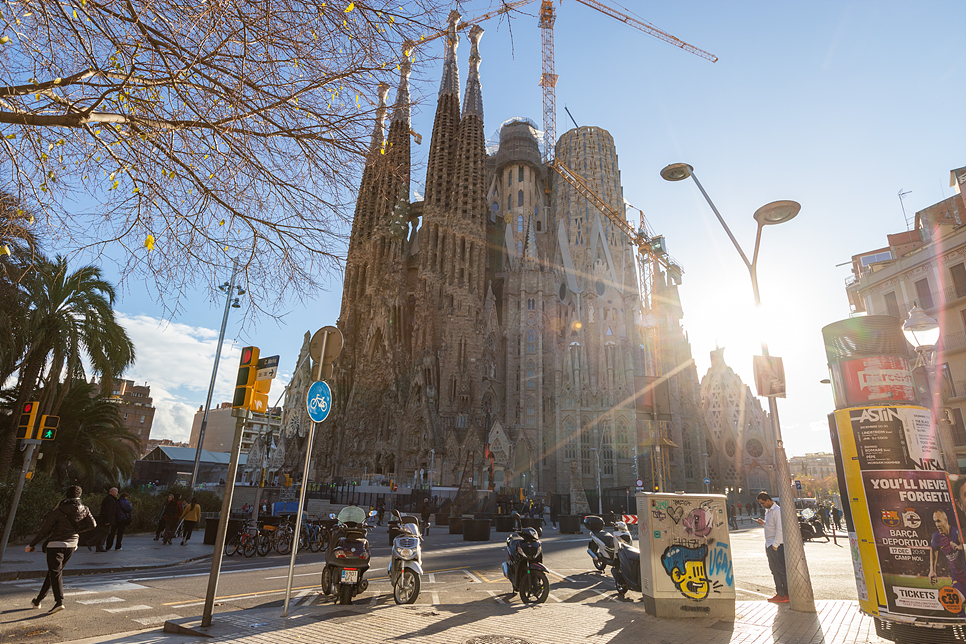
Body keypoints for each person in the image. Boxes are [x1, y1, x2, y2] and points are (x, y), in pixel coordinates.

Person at [26, 485, 96, 614]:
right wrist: (76, 531)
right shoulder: (84, 509)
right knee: (54, 572)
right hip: (72, 545)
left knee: (55, 572)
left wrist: (32, 544)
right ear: (79, 496)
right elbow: (93, 525)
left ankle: (59, 601)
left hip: (55, 545)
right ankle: (38, 601)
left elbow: (45, 530)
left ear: (66, 495)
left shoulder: (58, 511)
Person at [929, 509, 966, 615]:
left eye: (939, 521)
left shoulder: (958, 532)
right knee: (949, 601)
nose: (937, 524)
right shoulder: (936, 537)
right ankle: (962, 619)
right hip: (959, 581)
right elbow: (933, 549)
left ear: (946, 520)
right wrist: (932, 570)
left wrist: (959, 547)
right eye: (935, 521)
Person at [755, 491, 788, 603]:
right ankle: (780, 593)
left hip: (776, 545)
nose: (762, 505)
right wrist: (763, 523)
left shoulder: (777, 511)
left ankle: (786, 594)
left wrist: (775, 545)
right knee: (774, 570)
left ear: (768, 500)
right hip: (769, 544)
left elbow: (779, 529)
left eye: (763, 503)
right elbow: (771, 526)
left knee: (780, 570)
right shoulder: (768, 511)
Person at [94, 487, 118, 552]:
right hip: (106, 520)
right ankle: (91, 542)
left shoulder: (110, 499)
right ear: (112, 492)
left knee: (104, 532)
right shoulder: (109, 499)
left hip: (106, 519)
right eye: (116, 492)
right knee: (105, 532)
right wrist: (107, 520)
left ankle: (99, 547)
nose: (117, 493)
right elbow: (108, 510)